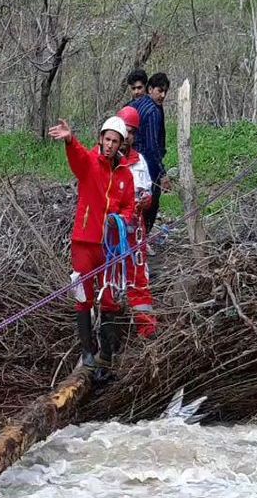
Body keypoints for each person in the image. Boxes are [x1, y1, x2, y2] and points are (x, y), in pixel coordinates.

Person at [47, 116, 136, 378]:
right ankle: (87, 351)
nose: (109, 145)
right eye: (106, 139)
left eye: (114, 141)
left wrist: (121, 220)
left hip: (110, 247)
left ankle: (106, 356)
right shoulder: (88, 163)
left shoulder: (125, 175)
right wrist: (70, 140)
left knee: (109, 299)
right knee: (83, 296)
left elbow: (129, 206)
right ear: (100, 139)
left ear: (120, 144)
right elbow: (77, 157)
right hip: (84, 243)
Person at [115, 105, 157, 339]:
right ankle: (110, 330)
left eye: (132, 131)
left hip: (135, 232)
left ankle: (146, 328)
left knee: (139, 276)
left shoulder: (139, 160)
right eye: (124, 130)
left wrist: (145, 200)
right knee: (109, 279)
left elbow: (148, 192)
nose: (127, 136)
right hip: (112, 232)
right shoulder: (105, 159)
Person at [127, 71, 169, 231]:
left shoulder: (134, 105)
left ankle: (134, 237)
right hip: (145, 163)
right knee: (150, 200)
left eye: (165, 91)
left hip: (132, 161)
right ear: (151, 89)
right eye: (160, 90)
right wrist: (162, 173)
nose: (163, 95)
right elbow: (152, 147)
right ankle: (142, 239)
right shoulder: (152, 111)